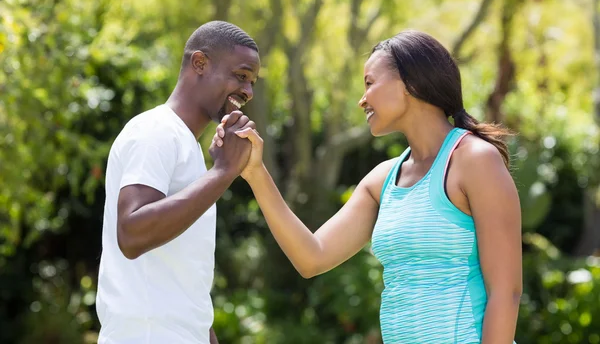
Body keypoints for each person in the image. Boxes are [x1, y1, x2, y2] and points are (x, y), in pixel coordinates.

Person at [214, 30, 522, 343]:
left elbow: (506, 292)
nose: (362, 99)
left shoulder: (474, 160)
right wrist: (255, 172)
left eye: (370, 83)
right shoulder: (383, 180)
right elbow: (311, 257)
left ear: (410, 84)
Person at [96, 21, 260, 344]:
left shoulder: (191, 152)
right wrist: (222, 173)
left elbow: (184, 285)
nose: (248, 91)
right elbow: (130, 233)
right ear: (200, 63)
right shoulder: (155, 131)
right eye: (241, 76)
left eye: (253, 82)